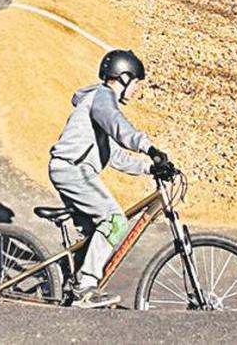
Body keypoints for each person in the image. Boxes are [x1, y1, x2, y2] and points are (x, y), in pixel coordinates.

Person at [48, 49, 168, 309]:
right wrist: (148, 147)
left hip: (75, 170)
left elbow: (113, 156)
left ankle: (71, 282)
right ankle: (85, 289)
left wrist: (150, 168)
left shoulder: (97, 107)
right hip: (73, 170)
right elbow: (118, 125)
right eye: (136, 82)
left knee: (95, 234)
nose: (137, 90)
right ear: (123, 78)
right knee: (114, 221)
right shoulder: (102, 98)